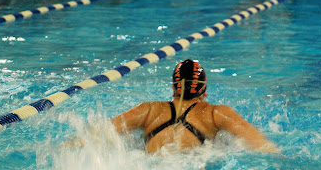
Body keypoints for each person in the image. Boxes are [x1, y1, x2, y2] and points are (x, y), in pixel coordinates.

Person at [110, 59, 280, 154]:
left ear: (173, 89)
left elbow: (101, 131)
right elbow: (260, 144)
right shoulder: (216, 113)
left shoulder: (148, 110)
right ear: (204, 91)